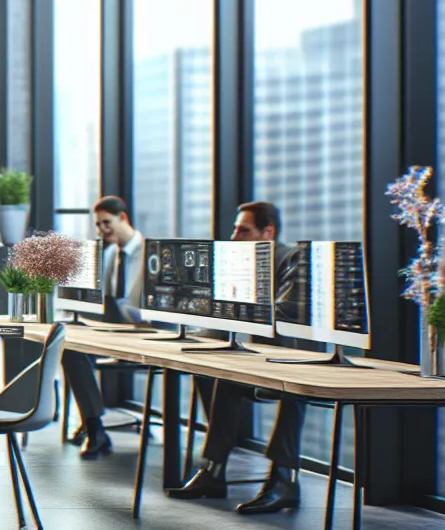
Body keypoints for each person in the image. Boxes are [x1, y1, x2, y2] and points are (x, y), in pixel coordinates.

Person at [168, 201, 307, 513]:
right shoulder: (239, 261)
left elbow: (286, 315)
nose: (234, 237)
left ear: (268, 232)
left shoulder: (292, 257)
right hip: (250, 357)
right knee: (213, 372)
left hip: (290, 358)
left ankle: (284, 479)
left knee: (296, 388)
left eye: (243, 230)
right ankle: (213, 471)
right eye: (235, 229)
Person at [64, 195, 147, 462]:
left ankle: (91, 424)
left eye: (106, 223)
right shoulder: (109, 254)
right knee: (71, 350)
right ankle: (95, 427)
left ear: (123, 218)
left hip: (145, 332)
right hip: (113, 331)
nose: (101, 231)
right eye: (98, 225)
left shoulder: (151, 252)